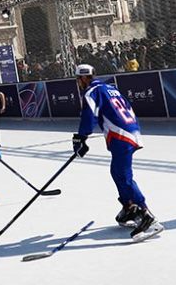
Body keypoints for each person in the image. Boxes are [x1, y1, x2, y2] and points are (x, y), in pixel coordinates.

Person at [72, 63, 163, 242]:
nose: (78, 83)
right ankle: (129, 207)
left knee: (123, 175)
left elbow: (89, 115)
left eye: (78, 80)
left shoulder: (91, 92)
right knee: (117, 172)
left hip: (121, 135)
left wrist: (81, 137)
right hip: (131, 130)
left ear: (82, 78)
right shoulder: (111, 89)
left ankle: (147, 217)